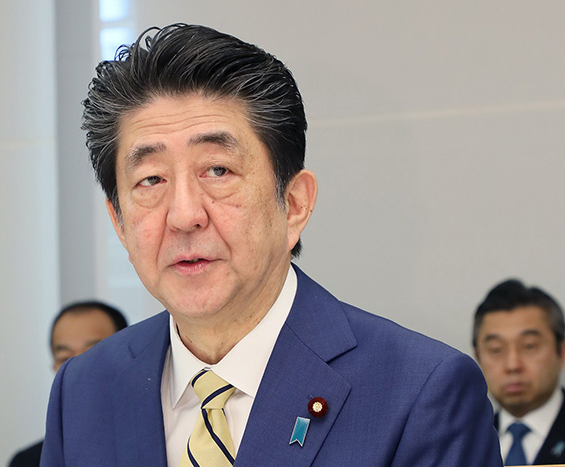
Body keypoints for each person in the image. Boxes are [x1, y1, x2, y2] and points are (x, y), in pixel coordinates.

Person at [41, 23, 501, 466]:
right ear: (119, 223)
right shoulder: (83, 391)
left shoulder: (421, 393)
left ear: (295, 204)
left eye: (217, 170)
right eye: (151, 179)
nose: (183, 215)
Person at [9, 300, 127, 467]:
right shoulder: (29, 461)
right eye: (65, 358)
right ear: (54, 367)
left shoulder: (156, 444)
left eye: (93, 353)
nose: (77, 369)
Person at [473, 279, 565, 465]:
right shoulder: (468, 442)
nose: (512, 365)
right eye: (496, 349)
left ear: (561, 352)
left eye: (529, 346)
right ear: (477, 358)